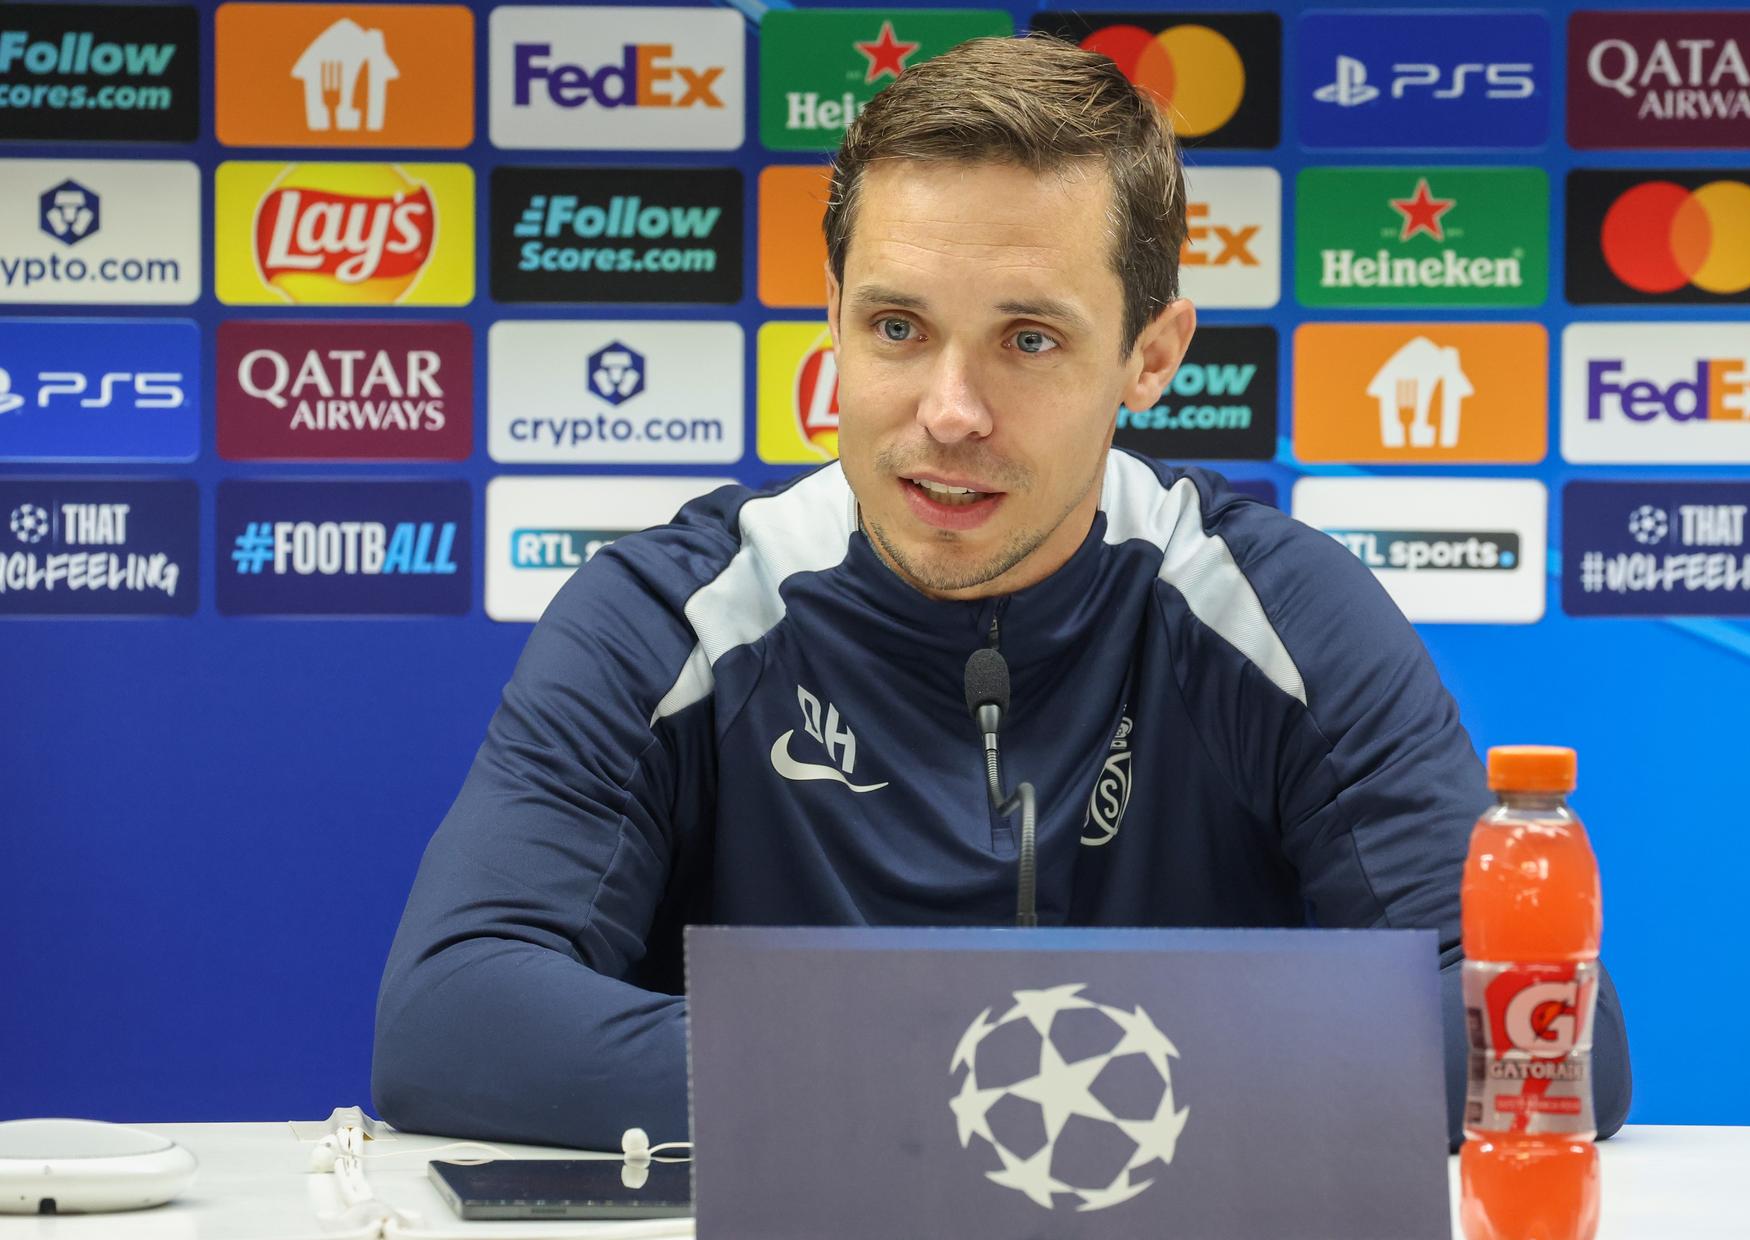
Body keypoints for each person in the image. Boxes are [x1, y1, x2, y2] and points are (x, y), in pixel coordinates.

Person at [372, 34, 1631, 1153]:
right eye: (897, 328)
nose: (950, 412)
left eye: (1029, 339)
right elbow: (454, 1016)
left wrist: (928, 1085)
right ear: (832, 320)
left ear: (1151, 355)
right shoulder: (672, 615)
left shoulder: (1275, 608)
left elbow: (1547, 1040)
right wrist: (1016, 1087)